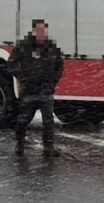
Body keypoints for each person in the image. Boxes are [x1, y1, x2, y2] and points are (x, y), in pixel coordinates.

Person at [7, 19, 64, 157]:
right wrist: (23, 78)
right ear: (33, 31)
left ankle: (48, 147)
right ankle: (19, 144)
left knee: (48, 120)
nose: (41, 33)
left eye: (44, 31)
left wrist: (53, 81)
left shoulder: (51, 46)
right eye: (39, 30)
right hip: (29, 90)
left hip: (46, 90)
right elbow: (11, 64)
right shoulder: (24, 46)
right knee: (24, 119)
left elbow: (60, 65)